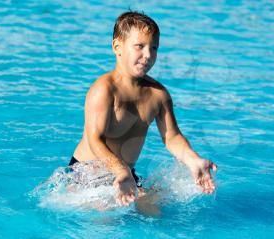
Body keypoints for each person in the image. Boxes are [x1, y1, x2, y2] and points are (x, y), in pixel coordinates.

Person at [69, 11, 217, 206]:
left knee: (155, 213)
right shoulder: (104, 90)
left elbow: (172, 137)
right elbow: (94, 140)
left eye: (154, 48)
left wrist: (193, 159)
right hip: (87, 176)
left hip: (126, 175)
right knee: (105, 222)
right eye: (140, 46)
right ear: (117, 47)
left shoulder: (158, 94)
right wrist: (120, 170)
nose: (148, 55)